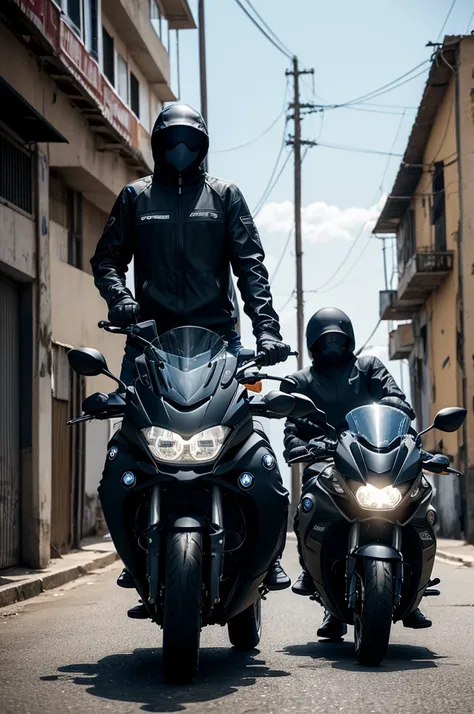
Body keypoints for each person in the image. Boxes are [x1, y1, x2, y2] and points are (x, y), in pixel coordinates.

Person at [91, 103, 291, 617]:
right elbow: (107, 259)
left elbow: (251, 267)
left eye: (191, 139)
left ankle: (267, 556)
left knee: (249, 432)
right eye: (171, 138)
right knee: (130, 442)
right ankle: (136, 546)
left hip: (220, 344)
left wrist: (267, 331)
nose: (181, 147)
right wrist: (121, 301)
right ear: (158, 144)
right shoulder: (136, 197)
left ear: (203, 145)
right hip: (149, 343)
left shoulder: (224, 197)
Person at [282, 307, 431, 639]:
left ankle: (414, 588)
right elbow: (292, 426)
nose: (332, 346)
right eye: (325, 341)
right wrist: (298, 444)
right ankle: (313, 574)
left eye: (338, 339)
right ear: (312, 345)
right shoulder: (302, 381)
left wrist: (396, 408)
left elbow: (394, 397)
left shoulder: (369, 368)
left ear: (349, 339)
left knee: (414, 495)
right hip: (326, 459)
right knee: (309, 498)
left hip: (371, 454)